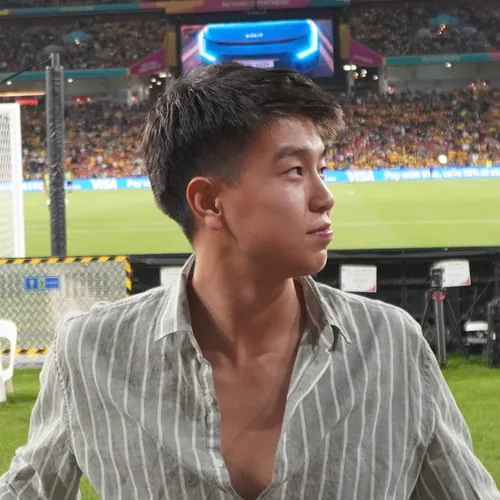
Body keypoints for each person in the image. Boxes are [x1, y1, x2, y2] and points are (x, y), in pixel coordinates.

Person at [0, 63, 499, 500]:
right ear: (208, 202)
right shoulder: (91, 353)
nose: (325, 196)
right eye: (294, 171)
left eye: (322, 168)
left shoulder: (392, 344)